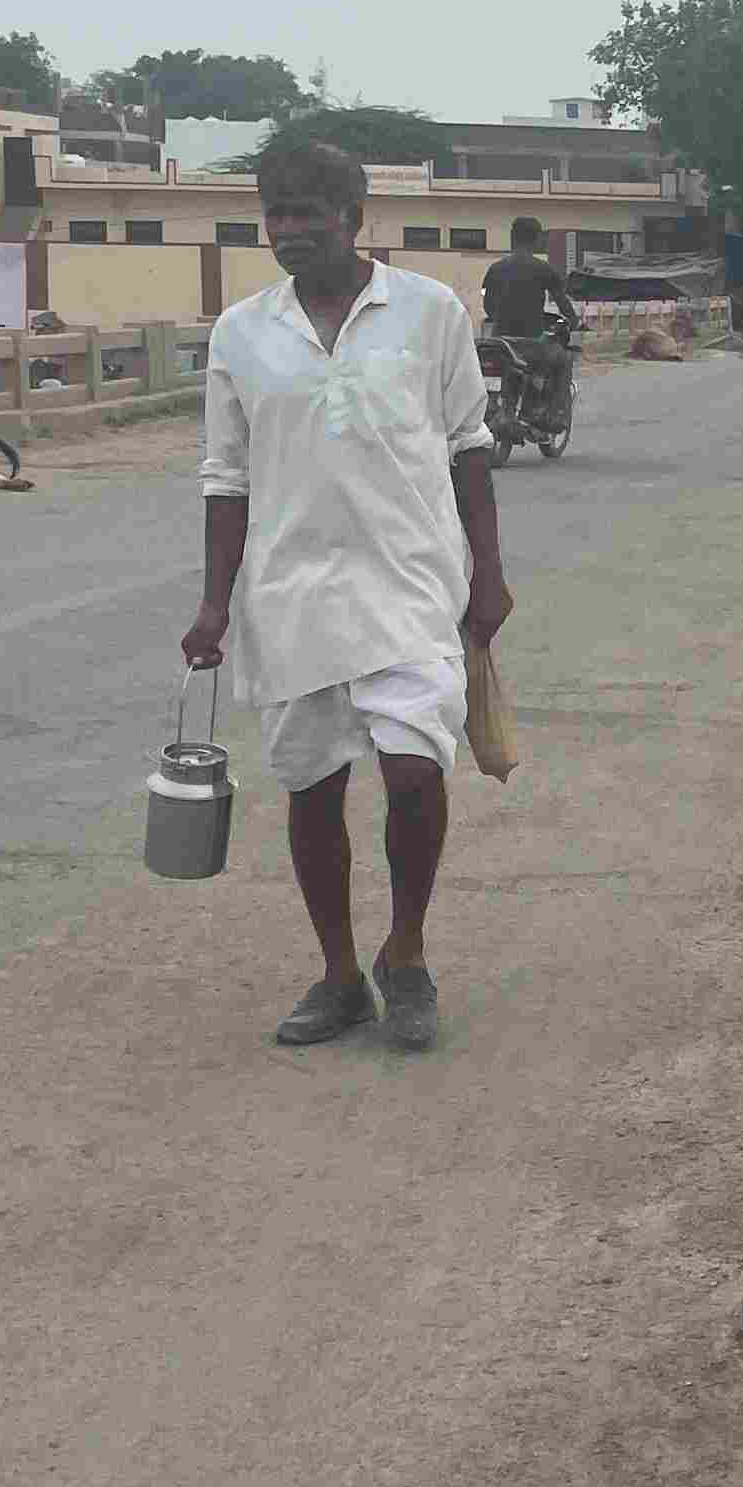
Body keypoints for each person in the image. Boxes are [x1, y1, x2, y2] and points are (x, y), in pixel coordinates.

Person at [184, 142, 508, 1052]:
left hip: (410, 579)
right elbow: (225, 476)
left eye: (307, 213)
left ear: (353, 218)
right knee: (313, 787)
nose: (288, 231)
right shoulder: (242, 332)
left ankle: (406, 956)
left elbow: (469, 444)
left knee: (414, 767)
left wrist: (489, 571)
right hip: (291, 590)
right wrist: (213, 605)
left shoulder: (429, 310)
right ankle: (339, 977)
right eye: (275, 214)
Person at [480, 217, 576, 412]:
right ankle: (556, 412)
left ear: (513, 238)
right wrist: (574, 321)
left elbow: (488, 306)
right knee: (564, 359)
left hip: (500, 344)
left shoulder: (495, 268)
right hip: (531, 344)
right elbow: (563, 304)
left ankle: (505, 408)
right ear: (537, 239)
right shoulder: (544, 269)